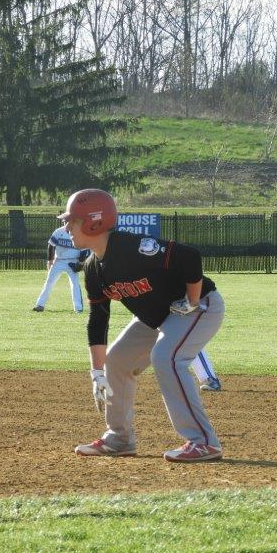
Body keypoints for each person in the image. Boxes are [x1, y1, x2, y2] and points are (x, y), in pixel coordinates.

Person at [61, 188, 225, 462]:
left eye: (72, 220)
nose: (66, 226)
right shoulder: (92, 268)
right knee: (117, 360)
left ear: (95, 221)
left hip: (200, 304)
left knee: (166, 357)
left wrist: (192, 301)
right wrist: (96, 372)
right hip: (157, 317)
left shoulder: (130, 247)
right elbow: (98, 320)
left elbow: (190, 257)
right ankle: (119, 439)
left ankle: (203, 441)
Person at [32, 224, 88, 313]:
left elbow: (84, 250)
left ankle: (78, 308)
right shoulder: (59, 231)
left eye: (70, 220)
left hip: (73, 261)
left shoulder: (79, 232)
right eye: (66, 220)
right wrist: (50, 261)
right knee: (49, 282)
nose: (68, 223)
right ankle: (40, 305)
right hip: (59, 261)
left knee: (75, 284)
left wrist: (80, 263)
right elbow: (51, 245)